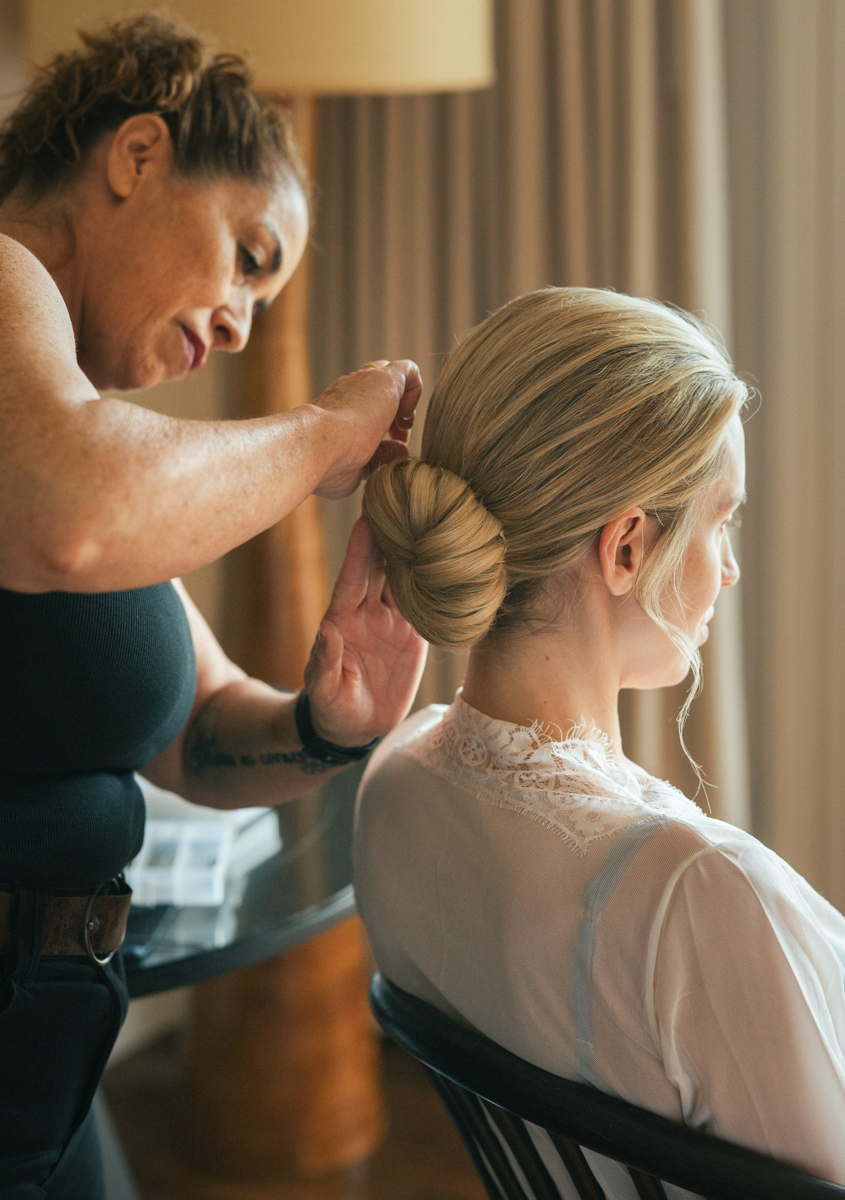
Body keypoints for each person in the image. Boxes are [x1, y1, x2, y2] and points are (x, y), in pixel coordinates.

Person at [0, 13, 426, 1197]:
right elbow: (64, 509)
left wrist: (325, 725)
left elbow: (191, 731)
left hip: (52, 1033)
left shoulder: (77, 420)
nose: (242, 320)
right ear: (137, 157)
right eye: (247, 254)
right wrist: (326, 433)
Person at [355, 286, 845, 1192]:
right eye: (721, 519)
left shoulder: (392, 785)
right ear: (625, 550)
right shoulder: (695, 895)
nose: (729, 569)